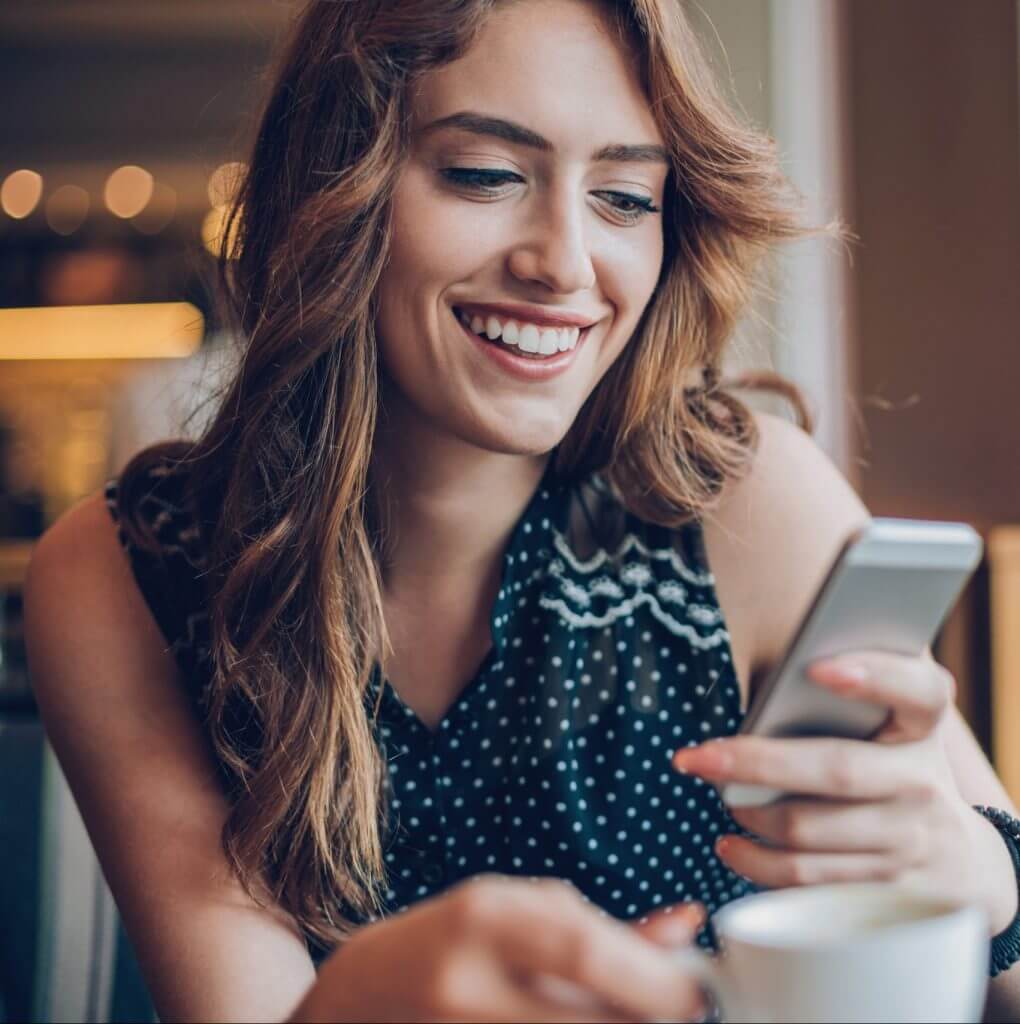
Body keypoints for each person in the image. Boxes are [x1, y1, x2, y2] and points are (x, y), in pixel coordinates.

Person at [22, 1, 1020, 1021]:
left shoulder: (743, 500)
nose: (566, 262)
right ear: (332, 182)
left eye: (626, 197)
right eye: (486, 175)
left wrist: (988, 882)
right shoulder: (128, 570)